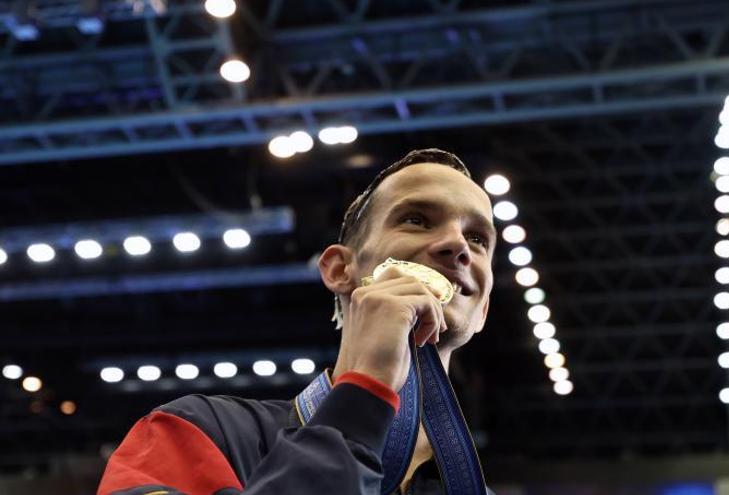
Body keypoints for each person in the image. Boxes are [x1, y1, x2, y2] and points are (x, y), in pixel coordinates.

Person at [97, 148, 497, 495]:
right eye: (416, 219)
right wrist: (364, 393)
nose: (459, 245)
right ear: (340, 269)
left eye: (478, 238)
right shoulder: (196, 433)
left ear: (483, 309)